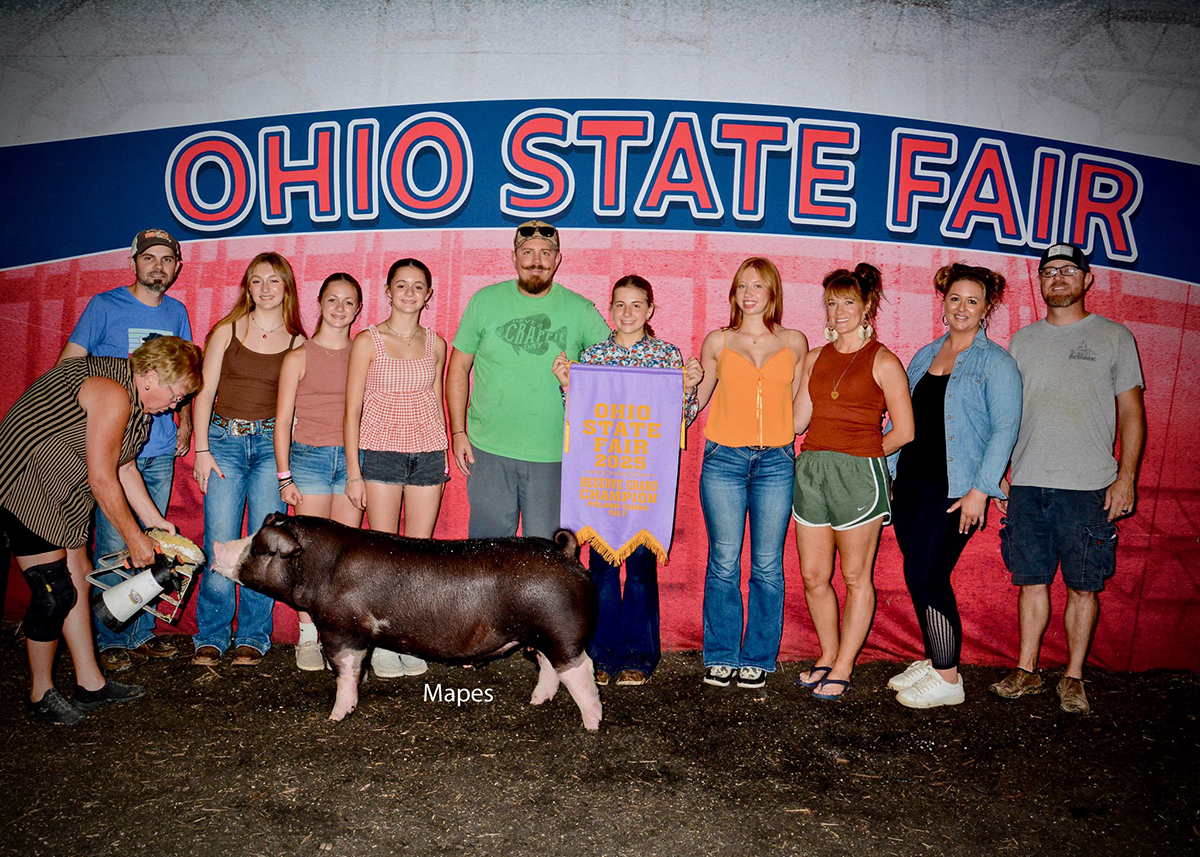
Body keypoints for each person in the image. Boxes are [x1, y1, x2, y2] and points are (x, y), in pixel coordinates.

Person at [0, 336, 202, 724]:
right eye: (176, 395)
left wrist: (154, 521)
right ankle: (40, 693)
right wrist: (134, 538)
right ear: (150, 376)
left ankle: (90, 684)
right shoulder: (112, 392)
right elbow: (102, 479)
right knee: (53, 590)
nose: (175, 405)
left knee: (78, 579)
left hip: (63, 488)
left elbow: (124, 467)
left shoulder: (139, 406)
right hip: (25, 481)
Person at [989, 243, 1145, 715]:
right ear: (1039, 282)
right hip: (1030, 482)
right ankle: (1027, 670)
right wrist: (1001, 473)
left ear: (1087, 279)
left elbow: (1133, 414)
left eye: (1068, 270)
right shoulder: (1021, 340)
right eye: (1049, 271)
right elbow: (1006, 414)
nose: (1057, 278)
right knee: (1030, 581)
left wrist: (1126, 478)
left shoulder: (1115, 337)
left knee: (1083, 585)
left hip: (1090, 485)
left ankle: (1074, 676)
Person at [551, 275, 703, 687]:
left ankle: (638, 655)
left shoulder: (667, 357)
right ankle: (599, 655)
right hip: (602, 480)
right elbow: (579, 418)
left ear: (650, 310)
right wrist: (567, 383)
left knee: (639, 571)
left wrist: (687, 389)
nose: (628, 313)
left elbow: (678, 422)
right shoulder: (593, 355)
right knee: (599, 571)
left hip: (643, 482)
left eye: (637, 305)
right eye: (620, 304)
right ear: (610, 308)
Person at [884, 263, 1022, 708]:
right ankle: (934, 655)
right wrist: (886, 475)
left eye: (973, 301)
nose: (962, 308)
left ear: (987, 309)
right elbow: (901, 420)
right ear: (944, 303)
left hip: (956, 490)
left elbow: (1005, 429)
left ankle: (948, 678)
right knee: (914, 570)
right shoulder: (925, 355)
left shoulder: (997, 363)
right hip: (910, 485)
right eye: (955, 299)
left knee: (929, 573)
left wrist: (981, 491)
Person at [58, 228, 194, 672]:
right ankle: (107, 638)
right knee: (115, 544)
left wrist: (184, 422)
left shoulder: (177, 312)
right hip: (112, 450)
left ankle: (141, 634)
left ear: (176, 267)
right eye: (150, 258)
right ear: (133, 262)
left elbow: (185, 375)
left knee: (153, 542)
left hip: (155, 449)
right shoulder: (103, 306)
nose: (159, 266)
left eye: (167, 259)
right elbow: (69, 365)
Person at [792, 263, 913, 700]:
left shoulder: (884, 360)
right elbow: (797, 421)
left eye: (848, 302)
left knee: (856, 576)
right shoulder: (813, 359)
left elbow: (905, 431)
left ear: (867, 307)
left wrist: (863, 455)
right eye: (831, 302)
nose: (838, 311)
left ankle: (844, 665)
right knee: (813, 575)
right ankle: (827, 654)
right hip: (812, 471)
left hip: (860, 473)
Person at [446, 222, 610, 539]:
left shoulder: (581, 309)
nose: (537, 260)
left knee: (548, 560)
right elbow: (458, 368)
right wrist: (457, 431)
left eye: (545, 253)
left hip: (555, 454)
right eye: (528, 252)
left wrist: (673, 376)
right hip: (488, 450)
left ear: (558, 259)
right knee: (487, 557)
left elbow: (616, 365)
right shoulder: (484, 301)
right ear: (513, 257)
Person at [693, 258, 808, 690]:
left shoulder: (796, 342)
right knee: (723, 560)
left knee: (767, 564)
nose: (749, 293)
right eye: (742, 285)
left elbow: (800, 411)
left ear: (772, 292)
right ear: (733, 293)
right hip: (723, 459)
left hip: (777, 461)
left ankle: (758, 656)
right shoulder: (718, 341)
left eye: (758, 285)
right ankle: (721, 654)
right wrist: (683, 387)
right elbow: (696, 403)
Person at [191, 253, 305, 667]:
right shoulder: (226, 331)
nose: (265, 288)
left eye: (274, 281)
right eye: (257, 281)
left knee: (264, 545)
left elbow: (298, 407)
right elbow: (203, 393)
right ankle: (211, 633)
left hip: (268, 450)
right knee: (218, 540)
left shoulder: (298, 342)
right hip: (223, 444)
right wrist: (201, 450)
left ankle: (255, 634)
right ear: (247, 287)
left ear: (287, 288)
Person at [344, 259, 447, 679]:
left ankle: (410, 638)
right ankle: (383, 644)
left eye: (417, 286)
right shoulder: (368, 341)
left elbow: (436, 401)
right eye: (400, 285)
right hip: (381, 453)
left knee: (418, 556)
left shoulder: (438, 343)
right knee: (385, 555)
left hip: (427, 453)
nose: (408, 293)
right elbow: (351, 411)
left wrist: (443, 448)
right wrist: (354, 472)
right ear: (387, 291)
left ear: (428, 295)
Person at [274, 272, 364, 672]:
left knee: (345, 557)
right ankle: (307, 635)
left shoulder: (365, 353)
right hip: (308, 460)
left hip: (352, 462)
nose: (340, 308)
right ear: (319, 303)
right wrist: (284, 476)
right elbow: (282, 421)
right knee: (308, 556)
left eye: (348, 301)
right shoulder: (298, 356)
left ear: (359, 308)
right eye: (332, 300)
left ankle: (338, 635)